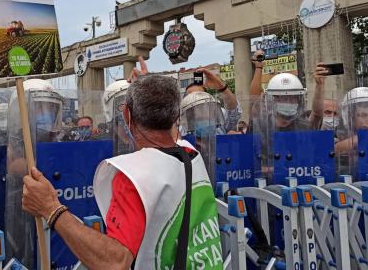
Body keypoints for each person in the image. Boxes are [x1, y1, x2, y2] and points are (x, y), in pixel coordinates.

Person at [22, 73, 223, 269]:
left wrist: (52, 210)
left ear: (126, 114)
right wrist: (152, 87)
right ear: (176, 115)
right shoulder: (191, 154)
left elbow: (115, 262)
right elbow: (168, 134)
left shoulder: (135, 176)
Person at [249, 49, 327, 132]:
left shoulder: (303, 126)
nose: (288, 101)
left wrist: (320, 85)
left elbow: (317, 114)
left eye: (293, 98)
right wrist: (258, 67)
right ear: (272, 99)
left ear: (299, 101)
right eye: (282, 97)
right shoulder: (262, 126)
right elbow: (254, 101)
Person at [334, 87, 368, 157]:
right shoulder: (338, 135)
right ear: (350, 117)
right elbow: (331, 151)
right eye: (363, 115)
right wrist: (356, 140)